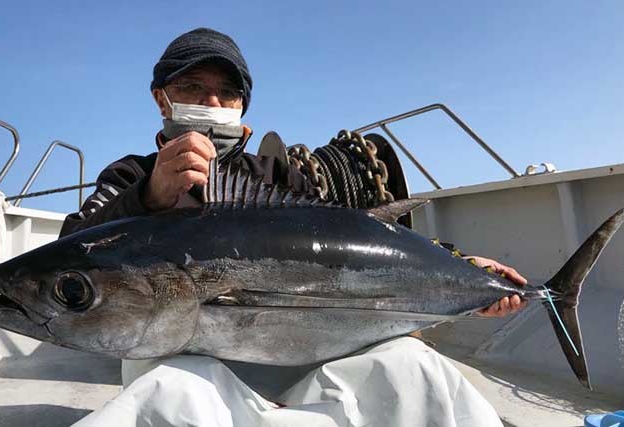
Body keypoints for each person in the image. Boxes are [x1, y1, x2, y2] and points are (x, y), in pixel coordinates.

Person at [65, 27, 525, 427]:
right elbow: (72, 256)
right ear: (160, 97)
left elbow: (354, 242)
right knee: (173, 392)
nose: (212, 102)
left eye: (227, 92)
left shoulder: (276, 176)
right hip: (182, 357)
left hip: (301, 353)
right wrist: (149, 195)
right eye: (192, 85)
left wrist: (461, 265)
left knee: (414, 367)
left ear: (242, 106)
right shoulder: (130, 174)